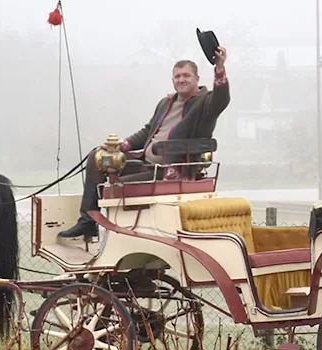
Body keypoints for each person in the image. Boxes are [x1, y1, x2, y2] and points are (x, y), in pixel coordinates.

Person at [58, 46, 230, 240]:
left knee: (114, 188)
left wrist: (219, 68)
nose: (181, 80)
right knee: (97, 157)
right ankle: (87, 222)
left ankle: (124, 234)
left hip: (170, 170)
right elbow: (148, 131)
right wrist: (120, 146)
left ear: (197, 79)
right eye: (177, 76)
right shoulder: (165, 103)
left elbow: (221, 99)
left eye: (186, 76)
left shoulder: (205, 103)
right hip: (145, 163)